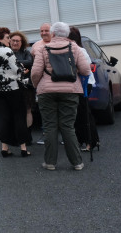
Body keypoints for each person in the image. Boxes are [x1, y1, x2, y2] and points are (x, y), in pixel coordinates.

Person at [30, 22, 91, 171]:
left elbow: (36, 72)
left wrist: (37, 85)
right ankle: (77, 162)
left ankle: (50, 162)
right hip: (70, 90)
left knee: (50, 126)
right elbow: (86, 70)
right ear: (67, 34)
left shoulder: (43, 48)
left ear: (53, 33)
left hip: (47, 91)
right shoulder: (75, 47)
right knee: (68, 126)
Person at [0, 27, 31, 158]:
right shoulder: (7, 51)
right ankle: (23, 148)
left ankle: (4, 148)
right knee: (19, 116)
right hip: (12, 89)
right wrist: (23, 71)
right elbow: (17, 70)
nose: (9, 40)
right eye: (7, 38)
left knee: (3, 117)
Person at [68, 26, 100, 152]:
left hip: (84, 84)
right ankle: (83, 140)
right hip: (78, 84)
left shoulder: (80, 50)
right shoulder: (76, 49)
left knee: (84, 113)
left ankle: (91, 141)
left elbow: (84, 69)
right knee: (78, 114)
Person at [9, 31, 35, 139]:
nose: (15, 43)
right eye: (13, 40)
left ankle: (27, 135)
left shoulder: (26, 52)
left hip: (26, 86)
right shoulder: (6, 52)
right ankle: (15, 135)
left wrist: (13, 62)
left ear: (22, 42)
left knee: (28, 110)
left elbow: (30, 62)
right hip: (11, 86)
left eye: (17, 41)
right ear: (9, 41)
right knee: (13, 111)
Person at [30, 22, 52, 145]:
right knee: (45, 111)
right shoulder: (36, 46)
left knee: (60, 111)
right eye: (41, 31)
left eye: (46, 30)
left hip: (59, 83)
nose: (43, 33)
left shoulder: (58, 43)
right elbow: (35, 66)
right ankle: (46, 135)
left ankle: (65, 137)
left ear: (52, 31)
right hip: (42, 84)